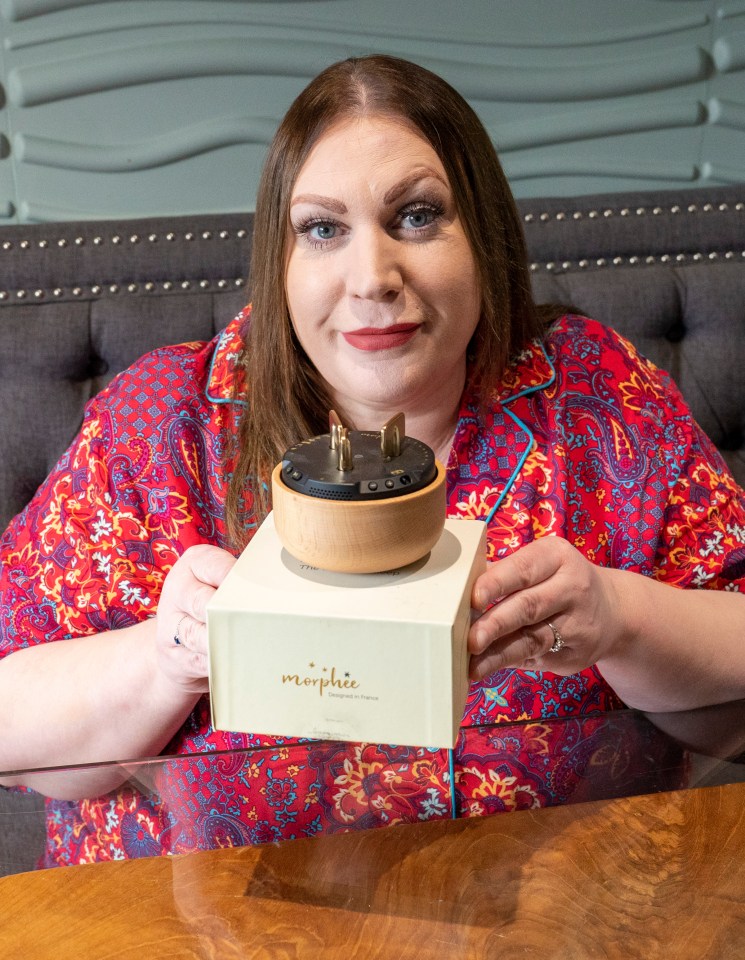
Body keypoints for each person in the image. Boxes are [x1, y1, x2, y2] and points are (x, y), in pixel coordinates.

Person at [1, 54, 743, 868]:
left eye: (417, 217)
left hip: (555, 924)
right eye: (322, 229)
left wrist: (623, 620)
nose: (371, 278)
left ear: (484, 235)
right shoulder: (163, 425)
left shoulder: (597, 400)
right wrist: (165, 659)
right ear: (279, 260)